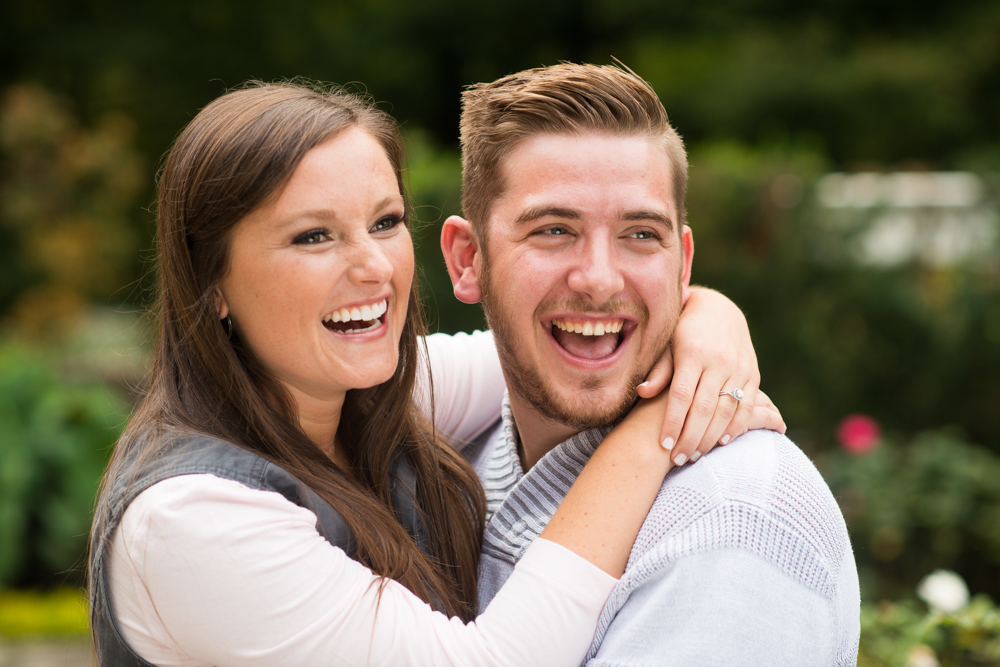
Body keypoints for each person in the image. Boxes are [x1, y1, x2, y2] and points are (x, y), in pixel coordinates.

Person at [88, 81, 780, 667]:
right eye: (313, 236)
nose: (375, 266)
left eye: (385, 222)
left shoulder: (363, 394)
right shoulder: (191, 520)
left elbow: (565, 354)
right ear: (212, 283)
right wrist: (660, 424)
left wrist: (706, 315)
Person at [441, 63, 861, 666]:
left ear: (683, 262)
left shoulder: (732, 521)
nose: (599, 280)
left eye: (640, 235)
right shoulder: (452, 452)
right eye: (555, 230)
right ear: (467, 259)